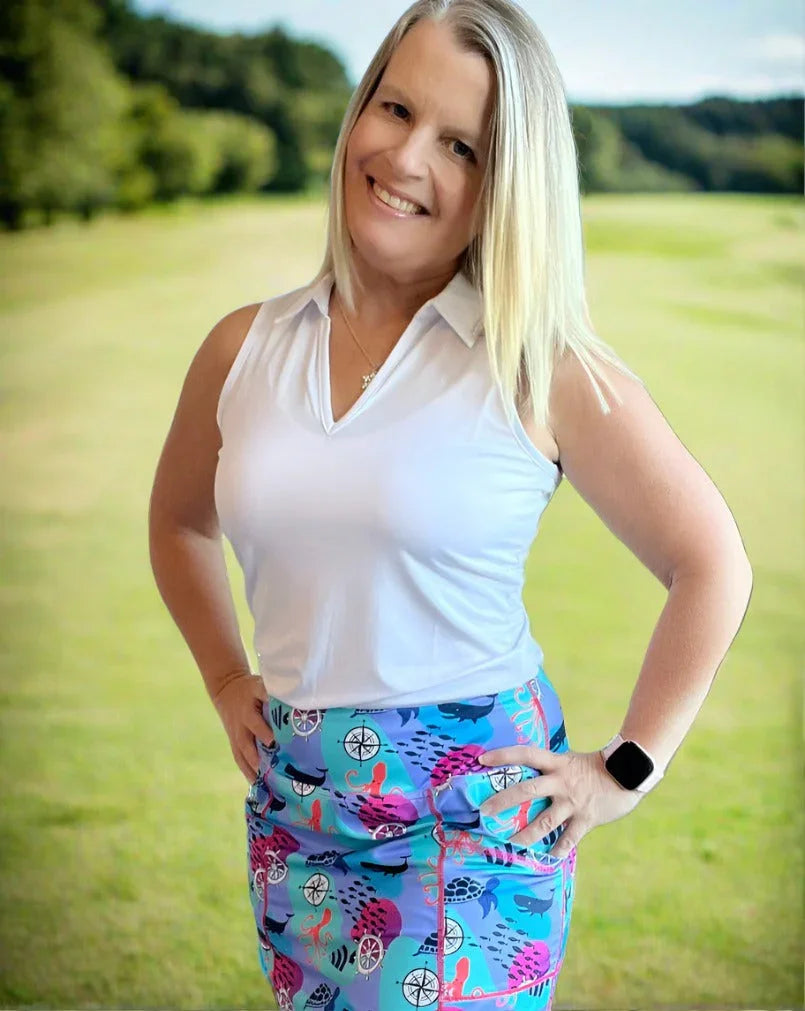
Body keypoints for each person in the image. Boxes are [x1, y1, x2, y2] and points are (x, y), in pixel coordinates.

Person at [148, 1, 753, 1008]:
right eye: (394, 108)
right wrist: (222, 675)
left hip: (474, 822)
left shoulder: (538, 367)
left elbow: (711, 564)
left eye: (460, 145)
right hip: (300, 808)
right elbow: (178, 522)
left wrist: (624, 770)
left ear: (504, 187)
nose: (404, 155)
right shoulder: (241, 347)